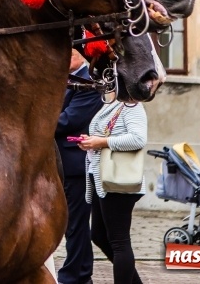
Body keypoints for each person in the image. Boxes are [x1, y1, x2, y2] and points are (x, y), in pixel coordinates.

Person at [77, 99, 147, 284]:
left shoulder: (131, 105)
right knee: (98, 235)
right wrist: (91, 142)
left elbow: (138, 138)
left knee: (119, 241)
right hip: (101, 177)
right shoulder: (110, 103)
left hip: (117, 179)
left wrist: (102, 142)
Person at [55, 49, 103, 284]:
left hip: (77, 166)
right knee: (74, 225)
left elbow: (68, 121)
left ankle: (74, 275)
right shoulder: (68, 80)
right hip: (63, 164)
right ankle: (82, 274)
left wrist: (38, 117)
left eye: (69, 52)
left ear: (80, 55)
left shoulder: (88, 84)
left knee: (76, 225)